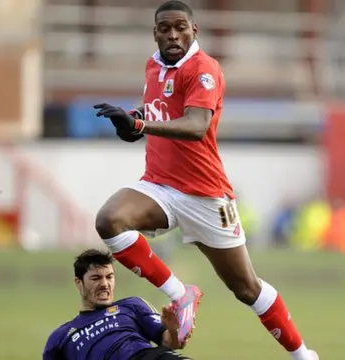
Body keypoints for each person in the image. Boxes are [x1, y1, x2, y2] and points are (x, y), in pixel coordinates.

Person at [92, 2, 319, 359]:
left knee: (246, 289)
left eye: (180, 27)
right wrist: (131, 121)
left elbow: (196, 126)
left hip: (205, 196)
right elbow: (157, 113)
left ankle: (303, 355)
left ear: (194, 31)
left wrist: (141, 125)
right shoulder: (153, 65)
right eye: (164, 28)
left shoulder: (204, 69)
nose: (172, 34)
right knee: (109, 220)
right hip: (160, 186)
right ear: (155, 33)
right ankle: (181, 293)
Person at [43, 249, 192, 360]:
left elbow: (170, 343)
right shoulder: (61, 337)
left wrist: (173, 330)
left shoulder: (131, 306)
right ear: (79, 282)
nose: (104, 284)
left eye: (109, 277)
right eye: (96, 278)